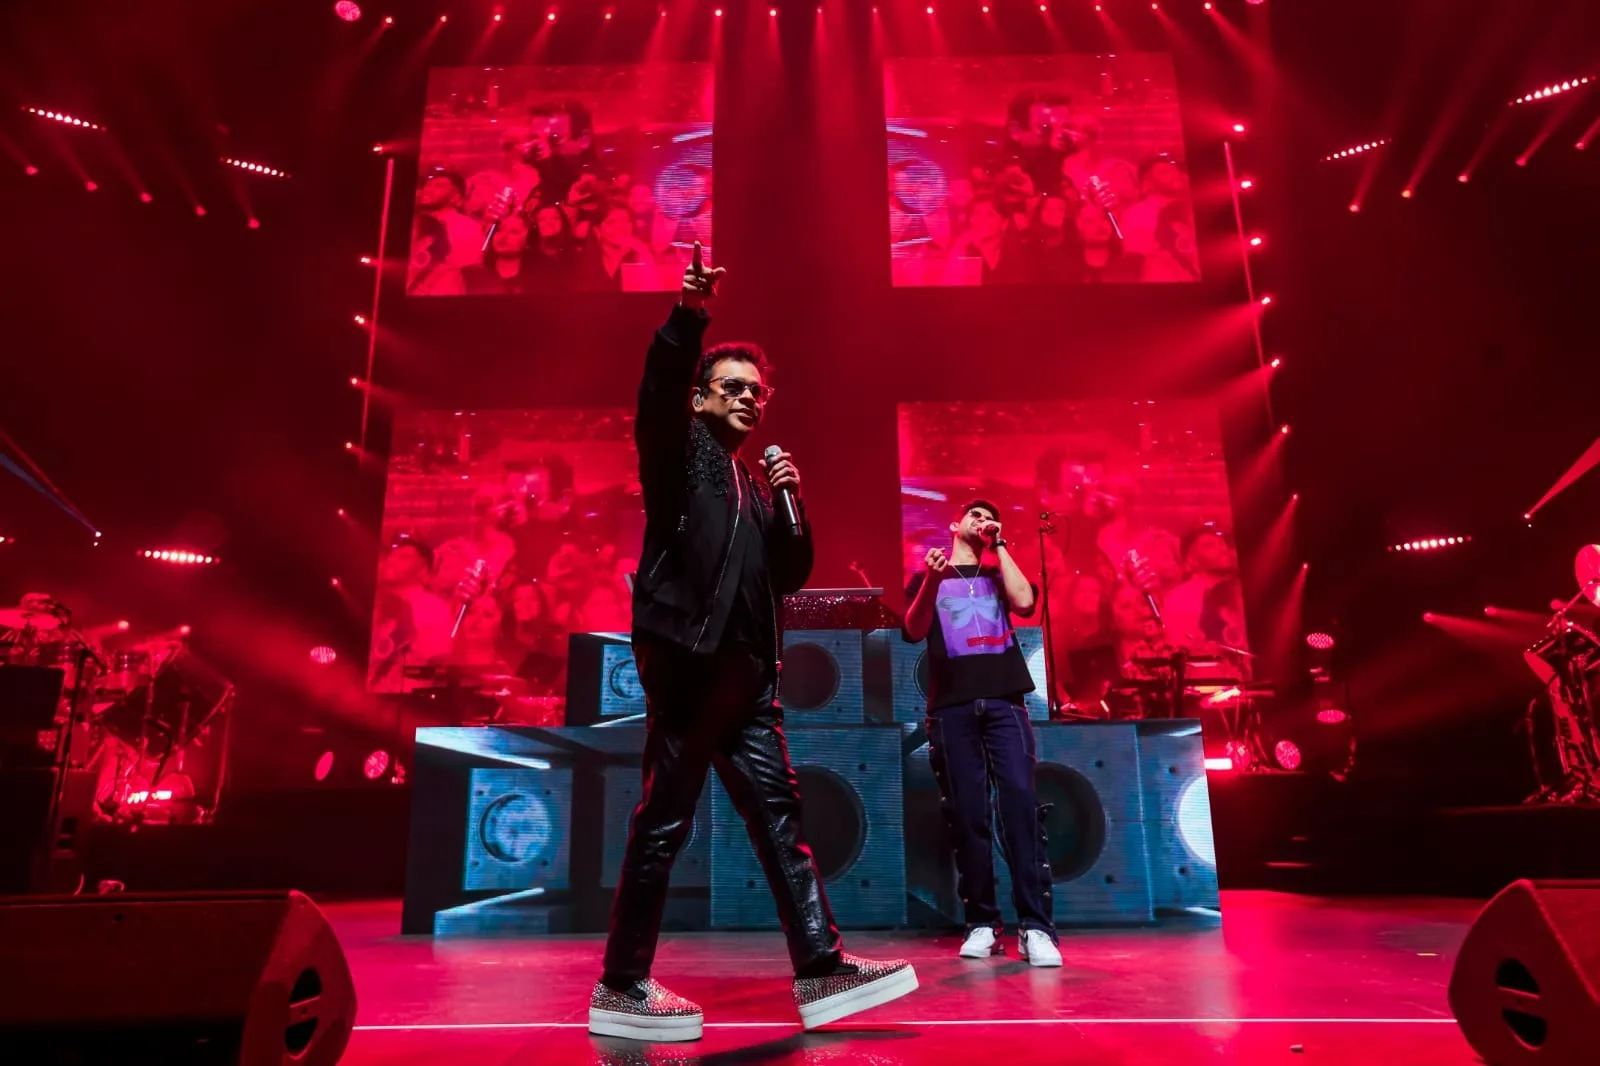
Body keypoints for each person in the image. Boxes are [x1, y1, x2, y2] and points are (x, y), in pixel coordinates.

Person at [590, 242, 916, 1043]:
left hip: (746, 682)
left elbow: (790, 573)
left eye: (757, 391)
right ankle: (622, 985)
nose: (748, 398)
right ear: (701, 398)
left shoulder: (751, 483)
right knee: (666, 821)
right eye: (731, 387)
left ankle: (821, 969)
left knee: (780, 819)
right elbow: (658, 389)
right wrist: (688, 316)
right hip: (690, 667)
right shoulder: (680, 456)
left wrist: (793, 500)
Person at [901, 500, 1063, 968]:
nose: (982, 520)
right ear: (955, 525)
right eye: (974, 514)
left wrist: (1001, 544)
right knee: (968, 814)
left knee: (1020, 808)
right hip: (951, 708)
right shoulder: (929, 575)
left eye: (989, 516)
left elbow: (1025, 603)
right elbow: (913, 628)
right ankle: (982, 923)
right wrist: (932, 581)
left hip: (1004, 703)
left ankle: (1036, 927)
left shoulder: (996, 573)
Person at [368, 539, 455, 690]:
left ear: (422, 571)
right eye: (391, 556)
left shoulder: (434, 608)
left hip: (409, 695)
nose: (391, 561)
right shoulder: (376, 604)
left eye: (403, 557)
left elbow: (437, 662)